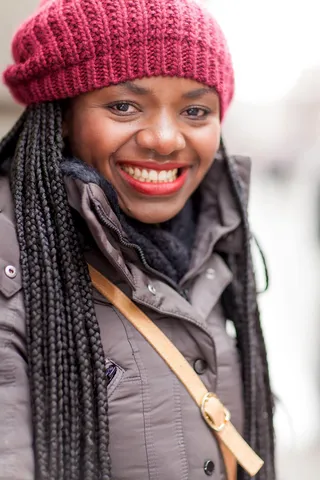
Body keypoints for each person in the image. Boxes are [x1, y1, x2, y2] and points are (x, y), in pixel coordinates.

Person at [0, 0, 275, 479]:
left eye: (195, 109)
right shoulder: (14, 265)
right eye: (124, 106)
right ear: (62, 115)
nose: (166, 139)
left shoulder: (210, 248)